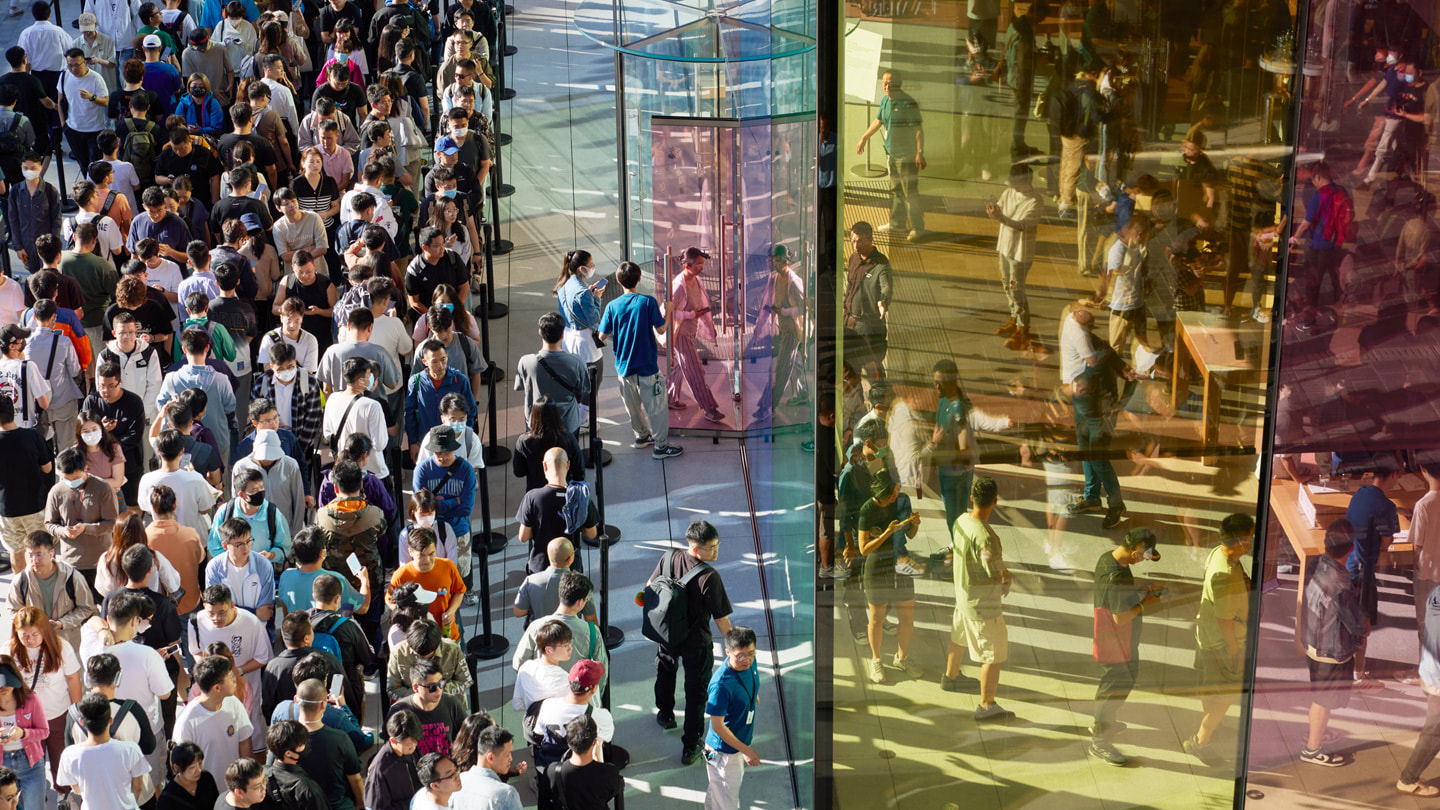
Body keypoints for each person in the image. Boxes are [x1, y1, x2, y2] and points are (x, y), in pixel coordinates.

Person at [648, 520, 733, 765]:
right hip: (697, 642)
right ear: (696, 549)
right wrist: (732, 647)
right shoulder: (709, 577)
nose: (716, 552)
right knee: (696, 693)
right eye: (711, 548)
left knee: (665, 672)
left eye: (717, 546)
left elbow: (649, 588)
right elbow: (721, 619)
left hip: (667, 635)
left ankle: (665, 714)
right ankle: (691, 744)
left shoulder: (668, 558)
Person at [76, 592, 173, 786]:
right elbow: (165, 694)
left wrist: (103, 630)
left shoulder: (90, 645)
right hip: (145, 731)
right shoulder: (148, 655)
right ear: (134, 621)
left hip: (104, 731)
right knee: (148, 787)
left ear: (108, 618)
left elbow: (89, 622)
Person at [1088, 528, 1164, 766]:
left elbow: (1115, 598)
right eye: (1143, 556)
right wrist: (1145, 603)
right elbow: (1120, 618)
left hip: (1113, 639)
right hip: (1117, 641)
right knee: (1114, 689)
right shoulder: (1118, 576)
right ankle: (1101, 742)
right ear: (1134, 553)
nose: (1142, 560)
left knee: (1113, 685)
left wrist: (1138, 591)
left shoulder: (1108, 558)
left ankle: (1101, 722)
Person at [1184, 513, 1255, 766]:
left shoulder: (1221, 553)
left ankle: (1210, 724)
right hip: (1223, 643)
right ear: (1240, 539)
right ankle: (1200, 741)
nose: (1252, 541)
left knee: (1211, 687)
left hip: (1208, 636)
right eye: (1250, 536)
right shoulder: (1224, 574)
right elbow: (1225, 618)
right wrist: (1234, 649)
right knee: (1228, 693)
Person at [1297, 520, 1365, 770]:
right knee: (1323, 701)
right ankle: (1312, 749)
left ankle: (1315, 733)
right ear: (1350, 549)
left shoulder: (1316, 563)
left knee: (1319, 697)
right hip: (1332, 650)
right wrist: (1363, 631)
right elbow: (1354, 622)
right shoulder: (1341, 581)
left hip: (1313, 642)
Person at [950, 476, 1015, 722]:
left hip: (962, 594)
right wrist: (1006, 576)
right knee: (992, 654)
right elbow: (993, 572)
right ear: (994, 501)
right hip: (982, 606)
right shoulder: (985, 537)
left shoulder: (961, 521)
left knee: (959, 636)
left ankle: (951, 675)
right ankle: (987, 705)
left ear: (972, 498)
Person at [859, 470, 923, 686]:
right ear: (882, 492)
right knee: (877, 618)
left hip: (901, 563)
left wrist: (914, 524)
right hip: (877, 567)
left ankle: (901, 657)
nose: (897, 494)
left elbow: (910, 535)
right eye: (893, 492)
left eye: (898, 488)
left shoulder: (903, 500)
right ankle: (876, 659)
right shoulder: (868, 509)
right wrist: (887, 533)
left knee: (907, 617)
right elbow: (864, 549)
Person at [70, 654, 157, 806]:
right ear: (118, 679)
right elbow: (149, 747)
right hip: (136, 795)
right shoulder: (133, 710)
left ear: (87, 678)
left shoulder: (74, 715)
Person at [187, 584, 270, 736]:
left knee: (245, 732)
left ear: (232, 605)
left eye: (222, 613)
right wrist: (210, 673)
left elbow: (262, 657)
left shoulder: (251, 622)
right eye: (211, 613)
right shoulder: (196, 621)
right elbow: (195, 651)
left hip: (246, 690)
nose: (216, 618)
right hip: (211, 691)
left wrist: (236, 672)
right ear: (204, 606)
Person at [1346, 457, 1402, 683]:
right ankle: (1358, 674)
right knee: (1363, 625)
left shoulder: (1359, 494)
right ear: (1394, 475)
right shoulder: (1387, 507)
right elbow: (1385, 544)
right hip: (1362, 573)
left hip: (1346, 563)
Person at [854, 71, 925, 241]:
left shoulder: (908, 104)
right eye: (884, 83)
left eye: (890, 83)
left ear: (898, 84)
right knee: (896, 191)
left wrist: (919, 152)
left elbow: (918, 130)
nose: (886, 87)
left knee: (910, 193)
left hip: (906, 157)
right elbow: (879, 121)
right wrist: (864, 137)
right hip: (891, 155)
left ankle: (918, 227)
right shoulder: (885, 100)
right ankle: (898, 222)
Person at [0, 634, 69, 807]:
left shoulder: (30, 699)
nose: (4, 688)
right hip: (2, 767)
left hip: (31, 763)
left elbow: (44, 731)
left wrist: (23, 733)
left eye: (8, 682)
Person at [156, 329, 236, 465]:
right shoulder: (221, 380)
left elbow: (161, 406)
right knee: (219, 482)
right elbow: (230, 408)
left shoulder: (171, 379)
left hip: (179, 445)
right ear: (207, 348)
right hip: (217, 440)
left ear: (184, 349)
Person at [702, 626, 761, 810]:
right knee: (727, 803)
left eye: (750, 653)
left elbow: (750, 681)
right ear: (727, 653)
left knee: (719, 791)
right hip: (723, 753)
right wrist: (746, 751)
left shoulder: (750, 662)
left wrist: (753, 696)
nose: (746, 660)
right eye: (740, 656)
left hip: (733, 748)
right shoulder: (721, 686)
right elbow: (717, 726)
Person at [56, 693, 149, 810]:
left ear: (81, 722)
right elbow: (138, 786)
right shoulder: (130, 749)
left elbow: (75, 788)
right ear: (110, 720)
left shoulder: (69, 754)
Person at [986, 166, 1043, 351]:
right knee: (1006, 284)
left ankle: (1022, 329)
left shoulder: (1036, 200)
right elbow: (1000, 209)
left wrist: (1000, 217)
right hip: (1005, 246)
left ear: (1027, 182)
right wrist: (993, 211)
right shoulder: (1009, 192)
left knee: (1017, 289)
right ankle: (1014, 318)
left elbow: (1022, 225)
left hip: (1021, 252)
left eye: (1017, 183)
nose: (1014, 187)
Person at [515, 447, 597, 575]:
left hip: (540, 567)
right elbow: (591, 534)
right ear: (568, 465)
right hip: (571, 569)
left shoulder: (532, 497)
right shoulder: (580, 496)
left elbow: (523, 537)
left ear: (544, 466)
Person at [45, 447, 119, 588]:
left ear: (86, 468)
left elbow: (112, 523)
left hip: (100, 560)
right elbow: (49, 523)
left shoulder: (103, 488)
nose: (71, 482)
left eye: (76, 478)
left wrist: (86, 528)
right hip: (71, 562)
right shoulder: (57, 491)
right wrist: (63, 531)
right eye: (66, 479)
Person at [411, 425, 476, 585]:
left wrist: (436, 502)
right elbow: (421, 506)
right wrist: (455, 500)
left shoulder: (466, 469)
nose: (442, 456)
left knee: (459, 577)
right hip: (430, 532)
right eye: (438, 452)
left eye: (446, 451)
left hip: (459, 530)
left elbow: (466, 507)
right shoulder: (422, 469)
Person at [666, 248, 724, 423]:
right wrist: (691, 315)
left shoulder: (695, 280)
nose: (701, 267)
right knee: (695, 370)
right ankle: (709, 408)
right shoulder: (678, 286)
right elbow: (668, 312)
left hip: (689, 331)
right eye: (698, 264)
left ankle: (670, 398)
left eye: (702, 264)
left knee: (679, 367)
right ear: (687, 265)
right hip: (681, 334)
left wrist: (707, 324)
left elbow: (701, 304)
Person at [173, 655, 253, 782]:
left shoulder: (234, 703)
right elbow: (183, 767)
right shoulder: (187, 721)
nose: (235, 679)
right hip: (206, 793)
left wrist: (247, 776)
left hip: (235, 787)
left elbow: (244, 741)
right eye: (230, 677)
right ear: (217, 688)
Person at [0, 396, 55, 574]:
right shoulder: (32, 436)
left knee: (16, 551)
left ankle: (22, 591)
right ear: (13, 412)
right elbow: (47, 468)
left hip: (7, 509)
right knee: (41, 549)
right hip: (35, 505)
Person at [290, 679, 364, 810]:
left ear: (295, 699)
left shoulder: (286, 738)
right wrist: (361, 804)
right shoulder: (340, 739)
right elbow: (355, 779)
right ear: (323, 705)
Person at [514, 312, 589, 438]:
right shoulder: (576, 362)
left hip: (536, 424)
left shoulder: (526, 361)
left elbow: (519, 386)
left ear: (540, 332)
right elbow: (586, 389)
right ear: (562, 334)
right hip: (568, 425)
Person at [308, 572, 373, 714]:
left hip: (310, 691)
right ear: (338, 598)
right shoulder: (347, 625)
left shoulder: (302, 622)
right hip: (344, 691)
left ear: (314, 596)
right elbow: (368, 658)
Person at [85, 361, 148, 505]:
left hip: (130, 462)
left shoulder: (134, 402)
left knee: (132, 504)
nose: (105, 390)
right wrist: (101, 430)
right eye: (101, 386)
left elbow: (135, 435)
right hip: (99, 464)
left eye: (110, 386)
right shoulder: (91, 401)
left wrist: (110, 446)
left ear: (120, 383)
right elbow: (84, 431)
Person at [136, 429, 217, 541]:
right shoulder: (195, 478)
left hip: (160, 541)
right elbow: (204, 510)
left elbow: (147, 508)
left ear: (158, 451)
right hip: (193, 540)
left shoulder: (146, 479)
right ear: (181, 452)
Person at [24, 302, 83, 451]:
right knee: (66, 449)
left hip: (38, 404)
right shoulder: (63, 341)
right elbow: (75, 370)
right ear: (54, 317)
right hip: (64, 400)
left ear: (35, 317)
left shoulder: (26, 344)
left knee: (43, 450)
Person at [387, 527, 464, 640]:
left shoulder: (448, 566)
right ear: (410, 552)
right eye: (421, 555)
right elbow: (390, 600)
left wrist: (451, 611)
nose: (427, 560)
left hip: (448, 635)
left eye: (431, 553)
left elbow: (459, 591)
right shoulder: (401, 575)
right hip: (420, 640)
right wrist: (409, 616)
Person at [206, 466, 292, 564]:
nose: (260, 493)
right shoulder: (226, 512)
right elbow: (214, 547)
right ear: (241, 495)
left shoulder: (273, 514)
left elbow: (285, 547)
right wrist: (234, 562)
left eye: (261, 488)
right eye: (254, 491)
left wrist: (270, 555)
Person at [406, 341, 476, 461]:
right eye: (434, 362)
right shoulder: (416, 382)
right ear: (425, 362)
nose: (440, 366)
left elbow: (470, 411)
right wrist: (413, 443)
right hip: (428, 442)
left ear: (447, 356)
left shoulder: (459, 380)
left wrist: (465, 438)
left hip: (455, 443)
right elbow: (409, 413)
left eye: (443, 359)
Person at [144, 486, 205, 617]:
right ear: (175, 504)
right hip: (190, 602)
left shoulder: (143, 538)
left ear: (152, 509)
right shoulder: (191, 534)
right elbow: (200, 558)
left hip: (158, 608)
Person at [387, 657, 466, 758]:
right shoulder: (399, 710)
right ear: (415, 687)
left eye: (441, 683)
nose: (438, 690)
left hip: (448, 768)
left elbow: (466, 737)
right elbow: (390, 747)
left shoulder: (452, 703)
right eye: (432, 686)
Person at [841, 222, 891, 382]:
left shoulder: (880, 264)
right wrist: (844, 308)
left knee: (873, 368)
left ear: (871, 240)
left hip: (868, 327)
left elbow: (886, 287)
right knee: (849, 370)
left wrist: (883, 302)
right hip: (850, 323)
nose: (856, 245)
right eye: (853, 241)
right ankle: (856, 402)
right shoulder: (853, 258)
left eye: (860, 241)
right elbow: (850, 286)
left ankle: (880, 401)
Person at [542, 714, 623, 810]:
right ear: (594, 742)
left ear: (568, 740)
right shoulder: (609, 772)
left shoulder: (552, 772)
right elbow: (608, 798)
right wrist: (599, 760)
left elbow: (543, 804)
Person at [201, 521, 276, 622]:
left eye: (248, 541)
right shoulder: (214, 568)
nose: (245, 547)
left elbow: (265, 613)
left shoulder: (264, 565)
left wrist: (232, 611)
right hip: (227, 629)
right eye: (239, 544)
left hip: (257, 629)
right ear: (225, 545)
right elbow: (216, 608)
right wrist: (254, 612)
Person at [513, 537, 597, 624]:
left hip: (541, 634)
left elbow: (518, 612)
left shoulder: (530, 581)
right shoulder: (581, 584)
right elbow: (591, 620)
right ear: (570, 559)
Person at [7, 153, 60, 275]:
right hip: (26, 245)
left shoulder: (50, 191)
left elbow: (56, 219)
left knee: (48, 277)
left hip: (46, 247)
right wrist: (18, 246)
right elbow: (13, 220)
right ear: (21, 168)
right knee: (33, 275)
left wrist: (54, 246)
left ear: (40, 168)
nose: (29, 171)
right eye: (26, 168)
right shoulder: (15, 191)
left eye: (33, 168)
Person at [59, 48, 111, 172]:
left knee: (95, 166)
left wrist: (91, 97)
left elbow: (105, 102)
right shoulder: (64, 75)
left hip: (94, 129)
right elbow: (60, 101)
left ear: (85, 62)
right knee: (83, 165)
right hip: (73, 128)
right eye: (70, 65)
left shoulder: (96, 78)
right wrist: (63, 125)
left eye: (77, 65)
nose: (73, 69)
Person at [454, 726, 526, 810]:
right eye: (507, 754)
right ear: (490, 757)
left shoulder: (459, 781)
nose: (511, 758)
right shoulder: (507, 794)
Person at [364, 710, 421, 810]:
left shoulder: (409, 750)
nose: (413, 747)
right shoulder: (380, 769)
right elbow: (376, 807)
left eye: (415, 742)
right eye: (408, 744)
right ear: (393, 740)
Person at [264, 721, 327, 810]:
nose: (307, 745)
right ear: (288, 753)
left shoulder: (262, 775)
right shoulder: (306, 788)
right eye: (302, 744)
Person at [158, 742, 220, 810]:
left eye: (200, 764)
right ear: (177, 768)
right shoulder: (167, 798)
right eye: (192, 767)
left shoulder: (207, 778)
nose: (198, 770)